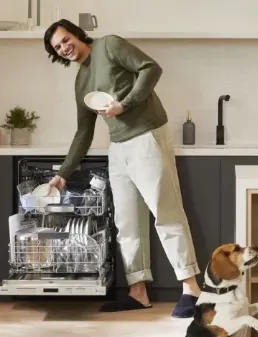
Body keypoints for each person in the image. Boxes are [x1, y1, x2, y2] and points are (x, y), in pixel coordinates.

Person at [43, 19, 202, 318]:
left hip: (147, 136)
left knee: (165, 212)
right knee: (127, 223)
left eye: (65, 39)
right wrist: (63, 173)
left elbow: (151, 68)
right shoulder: (81, 83)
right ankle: (137, 291)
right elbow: (83, 132)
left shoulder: (109, 45)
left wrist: (124, 105)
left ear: (76, 34)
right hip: (118, 148)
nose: (64, 47)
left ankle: (191, 288)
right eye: (57, 47)